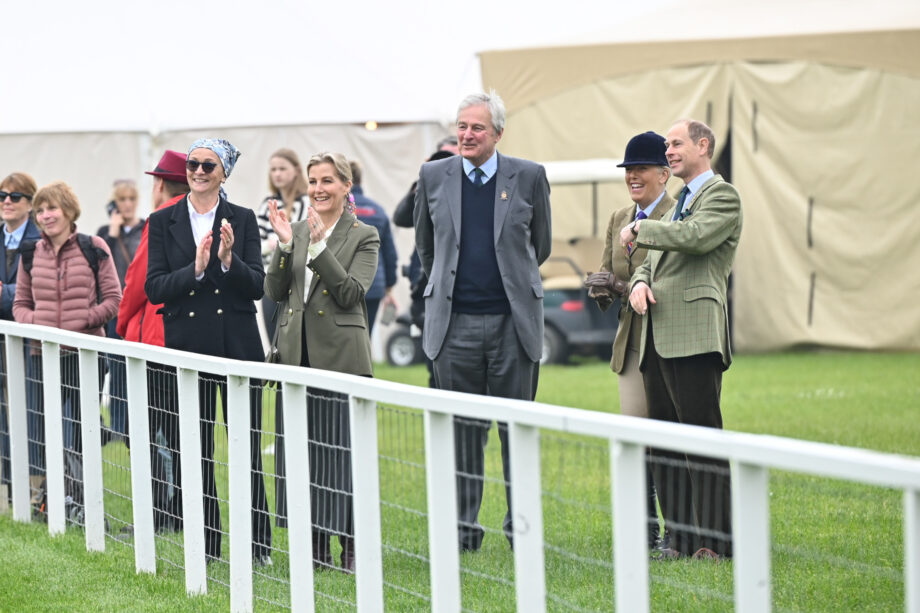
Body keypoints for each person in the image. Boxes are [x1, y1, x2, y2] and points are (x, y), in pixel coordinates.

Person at [414, 91, 552, 551]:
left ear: (498, 133)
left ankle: (521, 531)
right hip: (454, 327)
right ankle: (463, 532)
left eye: (477, 127)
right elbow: (427, 247)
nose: (467, 134)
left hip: (514, 326)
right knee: (463, 434)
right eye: (462, 126)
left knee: (517, 432)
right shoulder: (433, 175)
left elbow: (540, 245)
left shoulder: (529, 176)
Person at [145, 139, 272, 565]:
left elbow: (257, 286)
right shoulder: (162, 220)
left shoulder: (244, 218)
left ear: (224, 173)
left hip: (238, 348)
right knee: (196, 451)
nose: (198, 171)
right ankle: (209, 544)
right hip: (188, 349)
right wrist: (196, 270)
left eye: (208, 165)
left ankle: (257, 545)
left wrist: (228, 261)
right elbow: (154, 287)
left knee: (246, 449)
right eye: (193, 164)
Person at [623, 119, 742, 560]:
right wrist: (638, 282)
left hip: (694, 335)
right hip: (657, 333)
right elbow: (650, 263)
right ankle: (681, 539)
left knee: (702, 441)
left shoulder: (722, 196)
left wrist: (641, 229)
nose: (668, 151)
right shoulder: (679, 203)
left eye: (676, 144)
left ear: (703, 145)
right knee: (664, 444)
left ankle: (717, 543)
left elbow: (695, 238)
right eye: (667, 146)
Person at [264, 151, 379, 573]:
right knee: (300, 454)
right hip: (296, 357)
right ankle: (313, 545)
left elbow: (350, 293)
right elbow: (274, 292)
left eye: (327, 180)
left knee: (342, 454)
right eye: (313, 181)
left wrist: (316, 247)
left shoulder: (364, 235)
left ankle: (350, 545)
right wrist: (284, 246)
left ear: (346, 186)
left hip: (341, 358)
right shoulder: (295, 229)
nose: (318, 189)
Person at [584, 131, 673, 550]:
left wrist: (624, 285)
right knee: (636, 438)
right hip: (631, 342)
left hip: (670, 336)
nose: (633, 176)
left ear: (664, 174)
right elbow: (609, 272)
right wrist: (602, 288)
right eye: (628, 169)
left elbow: (671, 278)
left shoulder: (680, 212)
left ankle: (680, 531)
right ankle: (645, 532)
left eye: (641, 169)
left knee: (669, 438)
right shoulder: (619, 217)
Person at [13, 181, 122, 515]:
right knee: (46, 430)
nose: (45, 216)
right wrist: (39, 323)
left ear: (69, 211)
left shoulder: (94, 246)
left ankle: (86, 500)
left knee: (84, 430)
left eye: (52, 208)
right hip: (42, 355)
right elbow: (20, 305)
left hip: (85, 355)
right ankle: (53, 500)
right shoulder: (30, 253)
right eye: (40, 210)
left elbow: (113, 299)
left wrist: (82, 322)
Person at [116, 149, 189, 532]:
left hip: (154, 339)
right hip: (180, 339)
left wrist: (122, 323)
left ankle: (160, 511)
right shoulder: (197, 215)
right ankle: (178, 511)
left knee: (142, 430)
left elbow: (137, 280)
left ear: (160, 184)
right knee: (178, 433)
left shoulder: (161, 218)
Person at [0, 173, 41, 503]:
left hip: (29, 338)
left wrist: (5, 293)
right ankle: (8, 485)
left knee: (31, 410)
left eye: (15, 196)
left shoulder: (40, 240)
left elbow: (40, 288)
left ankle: (35, 489)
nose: (6, 202)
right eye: (2, 196)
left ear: (30, 203)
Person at [96, 179, 146, 442]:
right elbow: (98, 265)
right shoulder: (105, 232)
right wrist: (112, 235)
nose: (127, 204)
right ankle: (118, 426)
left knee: (139, 369)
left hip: (138, 309)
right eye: (122, 200)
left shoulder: (145, 228)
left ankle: (139, 423)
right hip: (114, 310)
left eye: (131, 199)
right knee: (116, 370)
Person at [256, 149, 311, 341]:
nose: (277, 174)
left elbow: (305, 241)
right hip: (271, 279)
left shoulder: (307, 202)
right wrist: (274, 245)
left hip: (299, 282)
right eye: (273, 169)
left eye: (282, 169)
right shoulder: (267, 204)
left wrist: (279, 244)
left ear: (296, 170)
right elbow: (256, 244)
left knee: (298, 340)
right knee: (274, 339)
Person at [349, 159, 397, 335]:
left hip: (344, 284)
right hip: (374, 286)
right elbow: (389, 254)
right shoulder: (377, 210)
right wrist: (389, 286)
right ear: (360, 180)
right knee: (364, 336)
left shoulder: (337, 209)